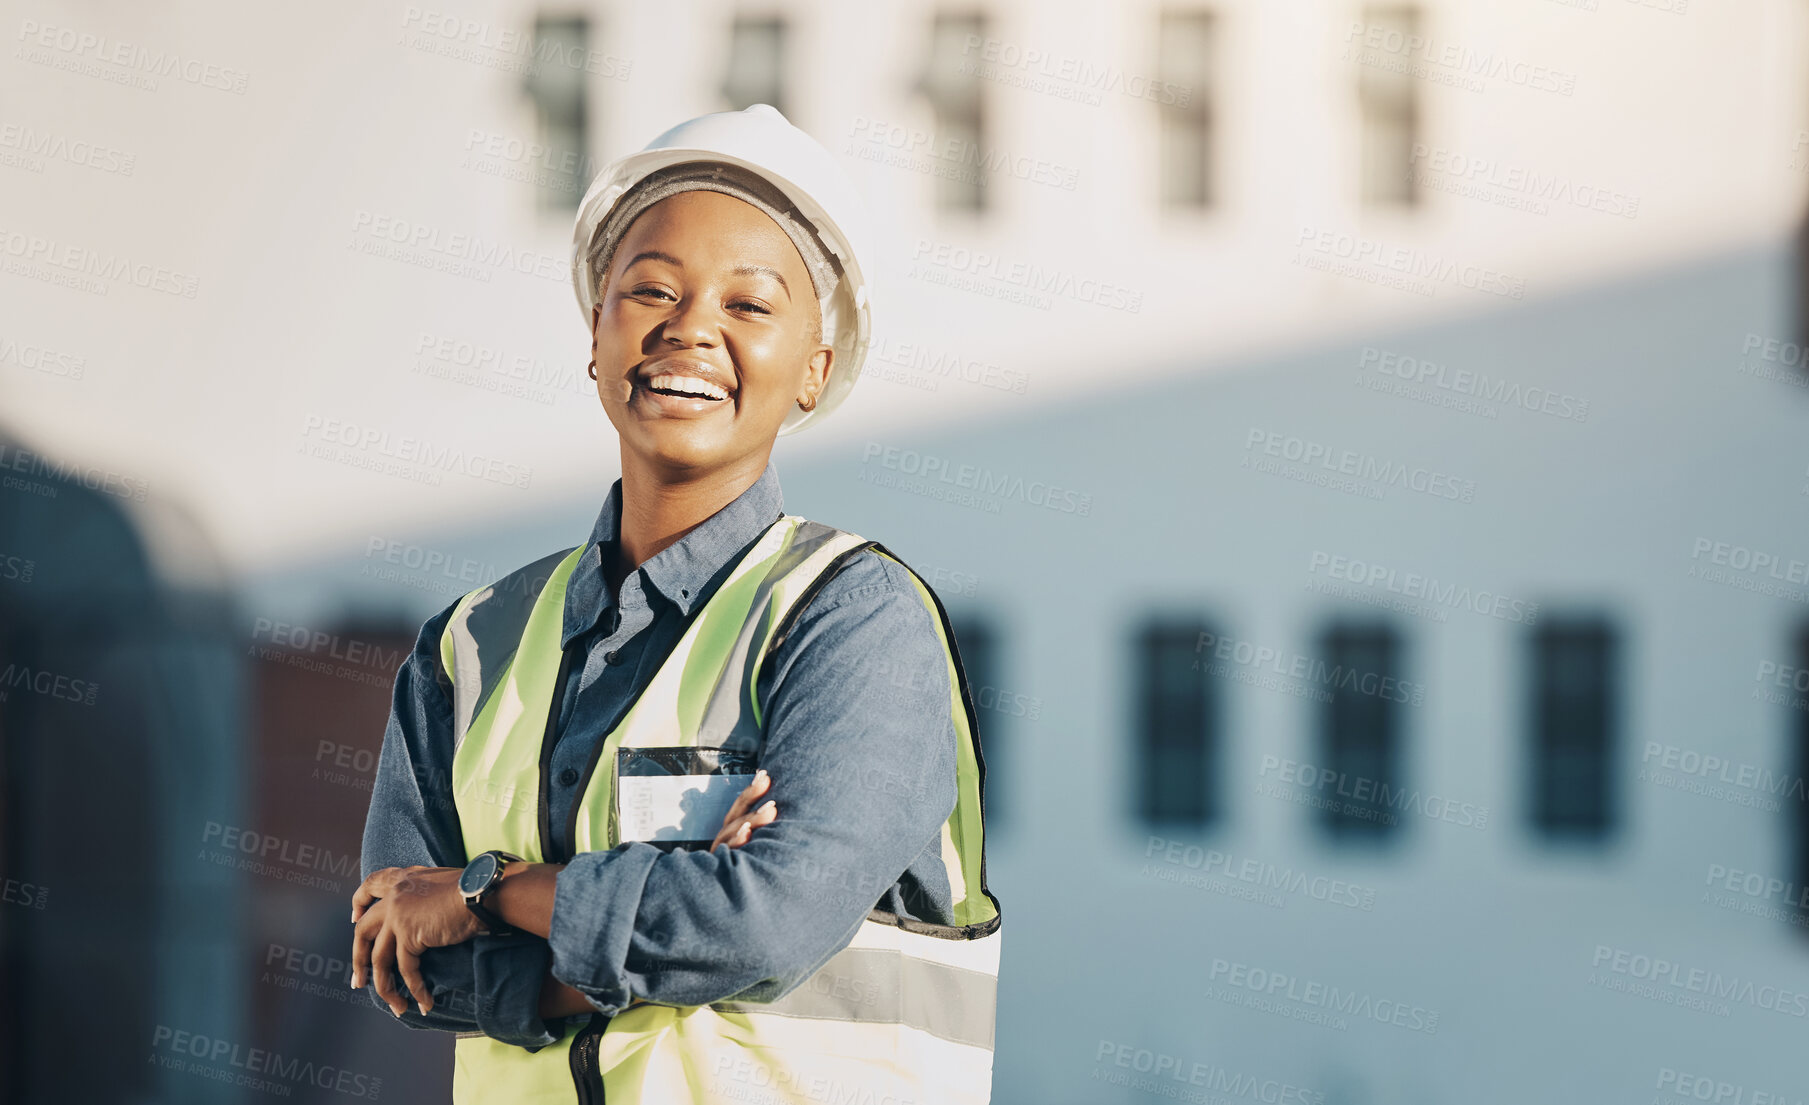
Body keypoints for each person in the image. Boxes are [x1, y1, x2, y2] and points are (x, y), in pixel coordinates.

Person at [350, 104, 1002, 1105]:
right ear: (597, 338)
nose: (690, 326)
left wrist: (489, 894)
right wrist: (674, 908)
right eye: (650, 289)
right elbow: (402, 955)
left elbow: (767, 924)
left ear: (815, 372)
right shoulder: (472, 641)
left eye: (750, 306)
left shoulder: (853, 620)